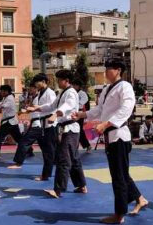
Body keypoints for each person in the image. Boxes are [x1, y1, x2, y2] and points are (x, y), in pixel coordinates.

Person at [72, 59, 148, 224]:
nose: (106, 72)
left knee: (118, 177)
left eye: (108, 69)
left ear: (118, 70)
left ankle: (119, 214)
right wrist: (82, 115)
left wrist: (106, 123)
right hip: (111, 137)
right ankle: (140, 199)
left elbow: (126, 109)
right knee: (121, 173)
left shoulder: (125, 87)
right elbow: (100, 110)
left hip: (119, 136)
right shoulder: (107, 89)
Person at [28, 69, 87, 198]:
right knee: (74, 158)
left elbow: (68, 106)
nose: (57, 82)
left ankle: (58, 189)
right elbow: (51, 105)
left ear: (66, 81)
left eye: (59, 80)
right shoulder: (62, 93)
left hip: (70, 128)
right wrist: (37, 108)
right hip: (67, 130)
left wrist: (55, 114)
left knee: (63, 159)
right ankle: (81, 185)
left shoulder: (71, 93)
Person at [9, 74, 57, 181]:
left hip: (48, 124)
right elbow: (40, 108)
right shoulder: (40, 94)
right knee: (47, 150)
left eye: (36, 83)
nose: (35, 85)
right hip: (42, 124)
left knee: (48, 150)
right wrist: (30, 109)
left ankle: (46, 174)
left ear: (43, 81)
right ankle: (47, 173)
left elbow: (52, 107)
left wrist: (35, 108)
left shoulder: (50, 93)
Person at [0, 85, 21, 158]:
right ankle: (29, 151)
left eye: (3, 91)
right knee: (19, 138)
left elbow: (5, 105)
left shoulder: (10, 98)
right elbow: (2, 103)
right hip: (12, 122)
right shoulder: (7, 98)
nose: (1, 92)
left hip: (9, 122)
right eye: (1, 91)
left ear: (7, 91)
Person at [73, 79, 92, 152]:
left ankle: (87, 145)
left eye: (75, 85)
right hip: (72, 113)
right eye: (73, 85)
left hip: (80, 113)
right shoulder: (72, 93)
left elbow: (81, 104)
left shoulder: (83, 94)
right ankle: (78, 146)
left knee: (79, 130)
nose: (74, 86)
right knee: (75, 130)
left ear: (79, 86)